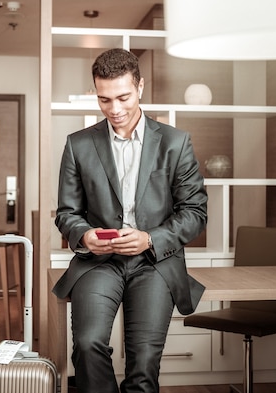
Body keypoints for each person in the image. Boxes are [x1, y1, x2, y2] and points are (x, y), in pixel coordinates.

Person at [52, 48, 208, 393]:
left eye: (123, 97)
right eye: (104, 99)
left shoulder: (175, 142)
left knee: (144, 362)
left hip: (155, 263)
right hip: (99, 262)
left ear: (140, 86)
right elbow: (67, 213)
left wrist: (150, 238)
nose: (115, 109)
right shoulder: (78, 145)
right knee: (88, 344)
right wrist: (85, 234)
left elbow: (195, 212)